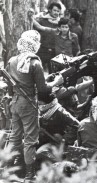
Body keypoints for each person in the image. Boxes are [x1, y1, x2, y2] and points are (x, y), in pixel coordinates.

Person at [5, 30, 63, 181]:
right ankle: (30, 175)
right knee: (30, 140)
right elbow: (43, 89)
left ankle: (8, 170)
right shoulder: (35, 63)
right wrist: (56, 82)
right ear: (35, 44)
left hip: (15, 102)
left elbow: (11, 89)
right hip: (29, 103)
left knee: (15, 137)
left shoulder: (12, 61)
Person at [35, 2, 61, 73]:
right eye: (54, 10)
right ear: (50, 10)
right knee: (38, 70)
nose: (56, 13)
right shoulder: (42, 21)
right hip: (42, 49)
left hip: (54, 51)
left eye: (58, 11)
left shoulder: (60, 23)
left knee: (53, 72)